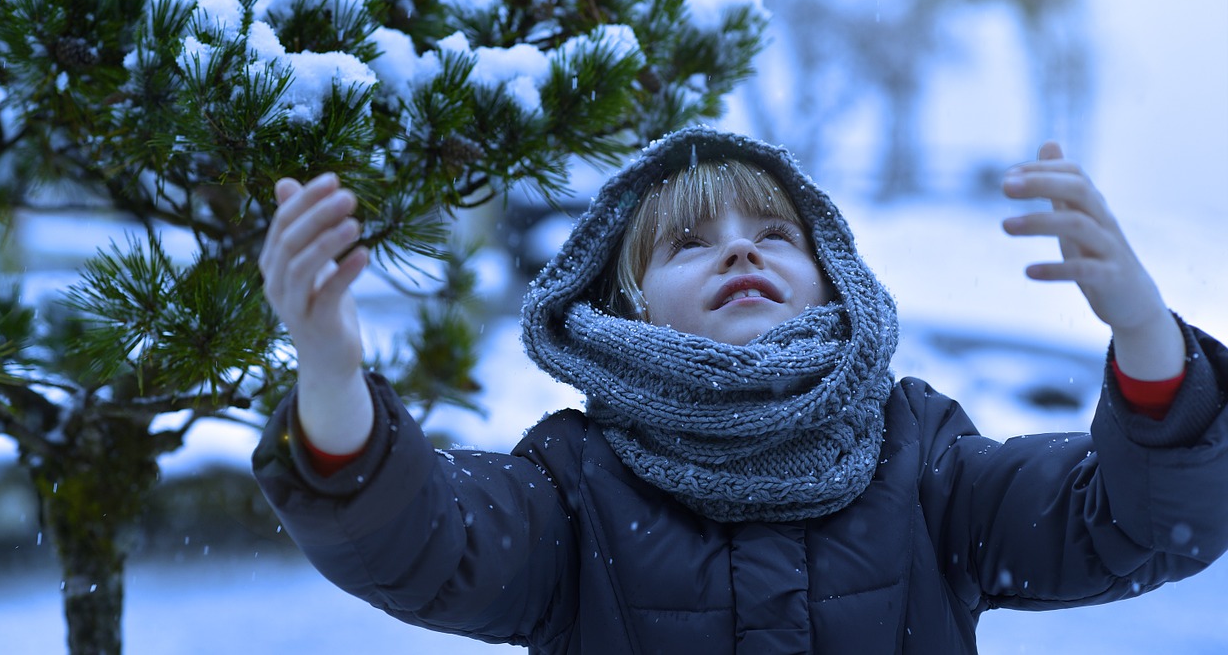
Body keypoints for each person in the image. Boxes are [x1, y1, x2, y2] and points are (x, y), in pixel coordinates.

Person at [253, 126, 1227, 654]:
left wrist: (1143, 330)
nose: (737, 248)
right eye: (687, 241)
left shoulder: (922, 457)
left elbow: (1132, 523)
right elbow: (421, 542)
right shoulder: (570, 483)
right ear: (626, 308)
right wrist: (333, 373)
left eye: (772, 234)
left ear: (832, 278)